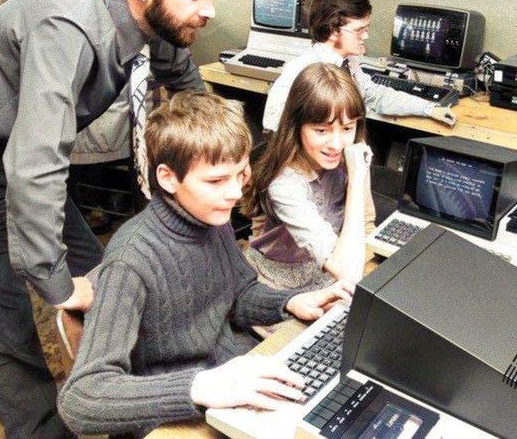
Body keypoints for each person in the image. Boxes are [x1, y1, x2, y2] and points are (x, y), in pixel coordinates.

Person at [0, 0, 234, 436]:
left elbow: (185, 83)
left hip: (19, 145)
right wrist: (55, 285)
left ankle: (132, 406)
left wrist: (219, 158)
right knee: (4, 321)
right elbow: (37, 166)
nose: (209, 9)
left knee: (110, 278)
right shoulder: (68, 24)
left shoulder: (158, 15)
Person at [57, 90, 351, 437]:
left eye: (240, 175)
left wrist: (289, 301)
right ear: (168, 178)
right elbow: (81, 400)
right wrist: (200, 387)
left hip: (227, 379)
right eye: (215, 181)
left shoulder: (211, 216)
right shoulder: (131, 261)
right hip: (174, 412)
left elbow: (237, 297)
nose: (234, 193)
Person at [243, 63, 375, 290]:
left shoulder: (352, 157)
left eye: (347, 128)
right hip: (279, 283)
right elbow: (348, 273)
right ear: (297, 127)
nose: (336, 144)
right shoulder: (284, 183)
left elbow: (366, 223)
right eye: (321, 130)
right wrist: (355, 182)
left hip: (330, 272)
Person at [262, 0, 456, 132]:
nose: (366, 36)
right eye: (359, 30)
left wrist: (429, 108)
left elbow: (376, 95)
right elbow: (271, 122)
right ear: (332, 31)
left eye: (367, 28)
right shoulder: (302, 70)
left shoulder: (348, 63)